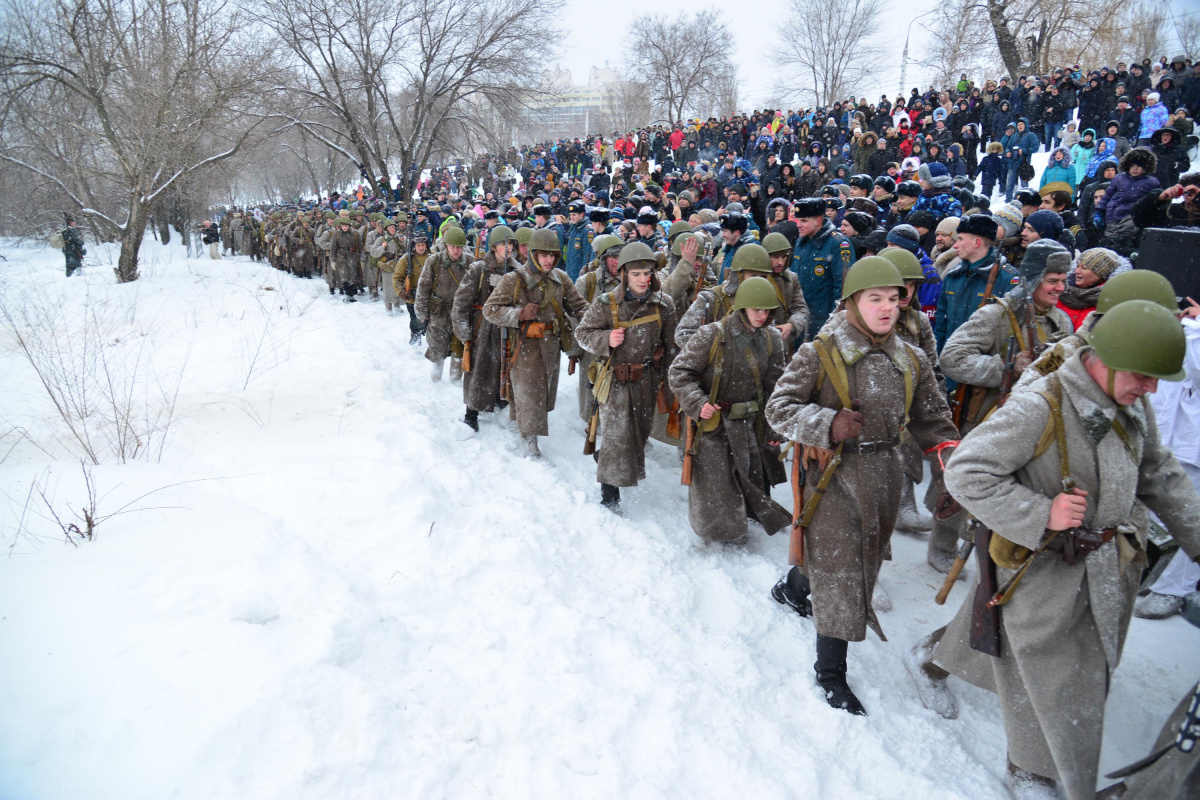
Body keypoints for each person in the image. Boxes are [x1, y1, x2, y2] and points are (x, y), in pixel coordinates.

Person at [928, 300, 1200, 800]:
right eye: (1143, 375)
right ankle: (1033, 770)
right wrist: (1041, 514)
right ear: (1108, 357)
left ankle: (932, 660)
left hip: (1106, 565)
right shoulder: (1042, 405)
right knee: (1056, 678)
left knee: (1037, 656)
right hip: (1049, 568)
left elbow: (1158, 471)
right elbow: (966, 473)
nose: (1152, 390)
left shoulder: (1129, 403)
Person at [765, 257, 958, 715]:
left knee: (850, 561)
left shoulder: (910, 358)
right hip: (832, 477)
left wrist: (956, 470)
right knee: (843, 573)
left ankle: (793, 588)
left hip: (885, 475)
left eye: (894, 299)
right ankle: (830, 673)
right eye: (876, 299)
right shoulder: (820, 351)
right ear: (852, 302)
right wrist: (827, 422)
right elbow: (779, 408)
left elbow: (936, 421)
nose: (887, 308)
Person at [669, 275, 791, 545]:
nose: (763, 315)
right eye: (757, 309)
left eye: (767, 309)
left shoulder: (772, 338)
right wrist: (698, 403)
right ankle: (717, 538)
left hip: (750, 424)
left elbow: (775, 386)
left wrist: (773, 428)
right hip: (715, 423)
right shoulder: (712, 334)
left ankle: (741, 527)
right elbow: (679, 372)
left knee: (749, 478)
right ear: (742, 306)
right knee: (717, 486)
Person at [575, 242, 678, 512]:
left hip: (647, 380)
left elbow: (672, 346)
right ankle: (609, 497)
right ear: (623, 275)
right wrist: (605, 338)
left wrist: (671, 384)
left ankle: (606, 455)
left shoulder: (664, 304)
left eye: (647, 273)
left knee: (637, 436)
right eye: (636, 274)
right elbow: (583, 333)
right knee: (617, 435)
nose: (643, 279)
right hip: (616, 380)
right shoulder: (606, 303)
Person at [482, 228, 588, 458]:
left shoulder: (561, 279)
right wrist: (519, 314)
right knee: (529, 393)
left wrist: (600, 320)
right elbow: (490, 310)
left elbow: (579, 307)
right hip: (524, 346)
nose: (549, 260)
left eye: (552, 255)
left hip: (551, 346)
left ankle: (519, 421)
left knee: (542, 394)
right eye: (543, 255)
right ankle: (529, 443)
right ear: (533, 254)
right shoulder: (514, 279)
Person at [452, 226, 519, 434]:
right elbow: (461, 302)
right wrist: (464, 332)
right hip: (483, 326)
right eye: (503, 244)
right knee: (479, 369)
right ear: (494, 246)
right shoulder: (479, 269)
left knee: (505, 366)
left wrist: (508, 286)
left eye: (510, 245)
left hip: (508, 323)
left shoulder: (518, 270)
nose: (507, 249)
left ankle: (501, 402)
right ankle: (471, 414)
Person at [790, 197, 854, 338]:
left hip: (823, 322)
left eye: (804, 221)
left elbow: (843, 290)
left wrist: (833, 323)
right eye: (798, 220)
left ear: (818, 221)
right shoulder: (801, 242)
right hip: (800, 320)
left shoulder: (839, 244)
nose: (798, 225)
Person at [415, 226, 472, 381]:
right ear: (446, 245)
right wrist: (421, 311)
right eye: (453, 246)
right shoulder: (434, 261)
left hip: (460, 314)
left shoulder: (470, 262)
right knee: (437, 351)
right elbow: (423, 287)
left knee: (458, 351)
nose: (456, 250)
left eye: (459, 247)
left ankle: (454, 384)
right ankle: (436, 383)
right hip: (438, 313)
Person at [394, 231, 430, 345]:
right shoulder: (406, 259)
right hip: (412, 296)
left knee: (431, 324)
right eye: (418, 245)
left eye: (423, 245)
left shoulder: (433, 256)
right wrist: (401, 292)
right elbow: (397, 277)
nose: (421, 248)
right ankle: (415, 346)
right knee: (415, 323)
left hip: (429, 297)